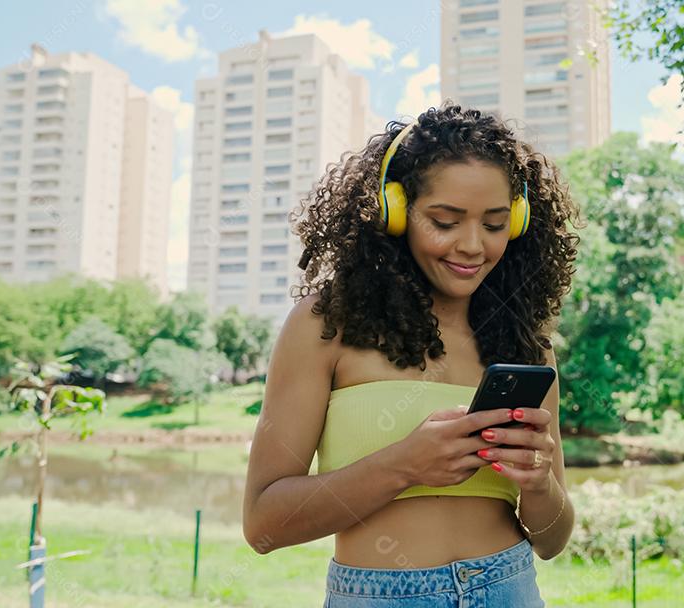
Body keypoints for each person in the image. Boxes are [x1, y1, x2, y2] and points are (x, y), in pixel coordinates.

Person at [242, 103, 582, 606]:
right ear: (393, 211)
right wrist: (404, 466)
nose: (472, 246)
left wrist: (537, 485)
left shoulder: (527, 342)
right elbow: (264, 524)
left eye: (494, 224)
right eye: (445, 221)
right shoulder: (328, 324)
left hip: (509, 587)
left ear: (519, 219)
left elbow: (552, 540)